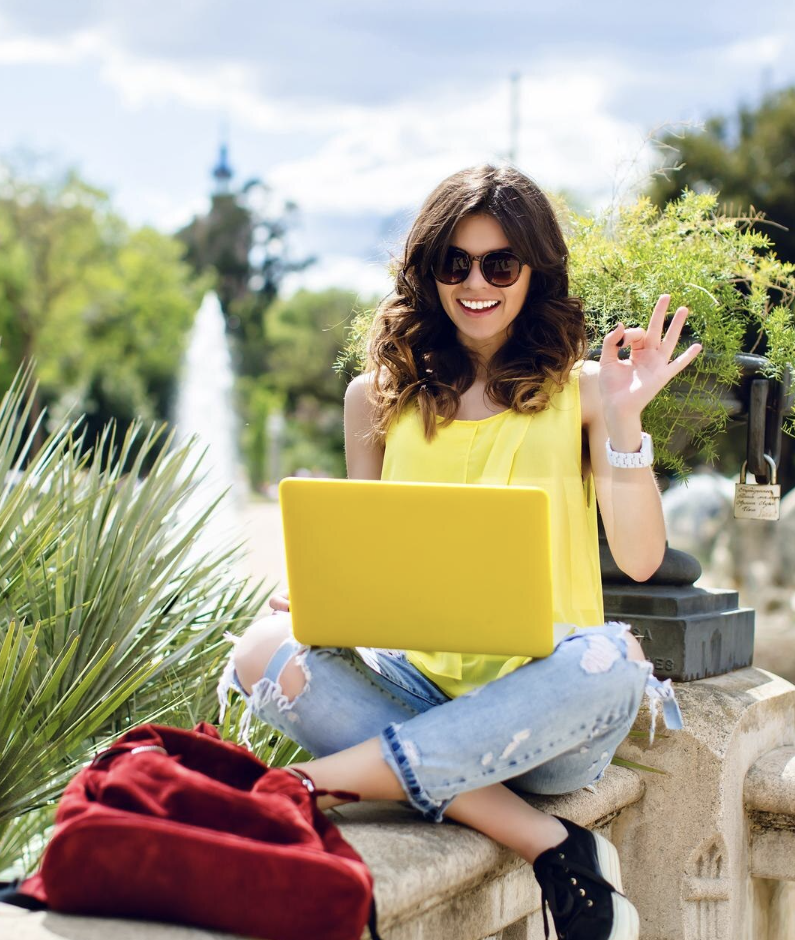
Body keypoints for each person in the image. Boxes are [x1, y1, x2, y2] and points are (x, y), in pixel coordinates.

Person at [217, 164, 700, 939]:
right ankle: (549, 842)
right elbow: (376, 571)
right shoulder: (374, 399)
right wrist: (325, 599)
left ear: (533, 271)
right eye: (456, 263)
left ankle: (315, 780)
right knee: (260, 648)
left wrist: (629, 419)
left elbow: (641, 558)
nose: (477, 283)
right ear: (429, 272)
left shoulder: (589, 392)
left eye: (500, 264)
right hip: (422, 688)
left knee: (609, 662)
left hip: (544, 719)